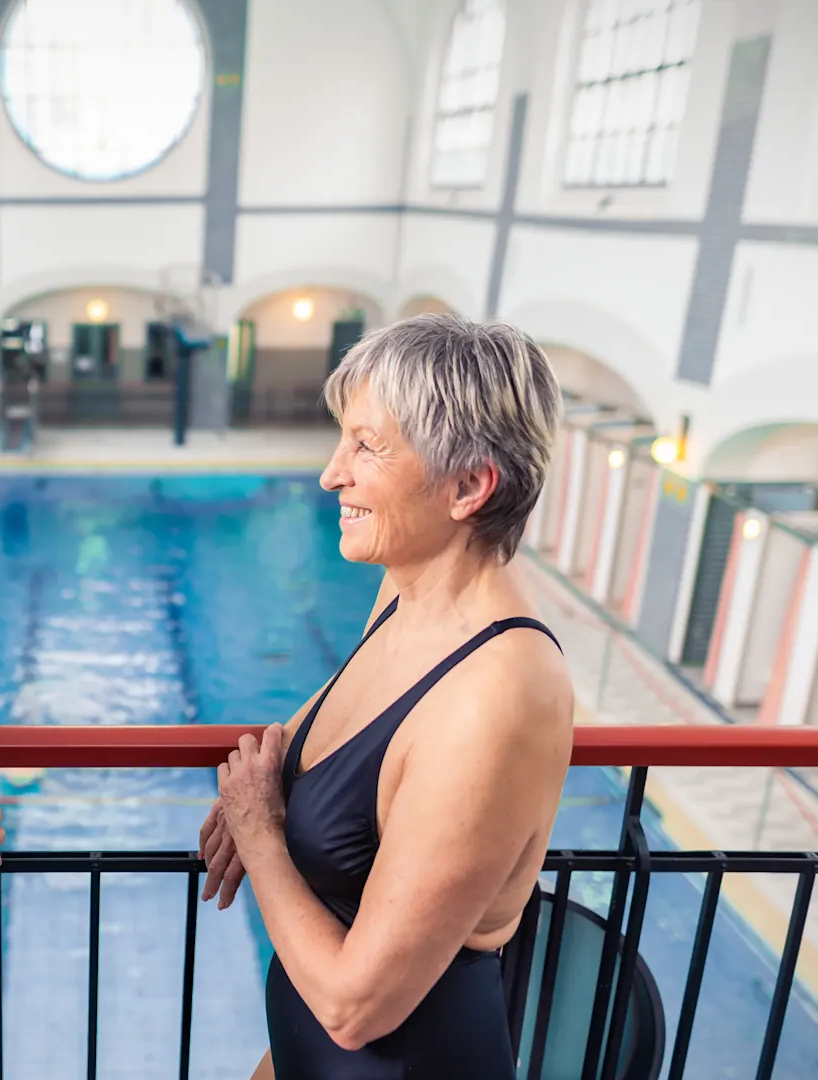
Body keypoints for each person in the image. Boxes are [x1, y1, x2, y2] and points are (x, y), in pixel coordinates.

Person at [198, 314, 574, 1078]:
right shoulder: (407, 594)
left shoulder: (495, 697)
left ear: (468, 487)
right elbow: (346, 726)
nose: (331, 474)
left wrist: (262, 832)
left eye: (366, 447)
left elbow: (357, 1006)